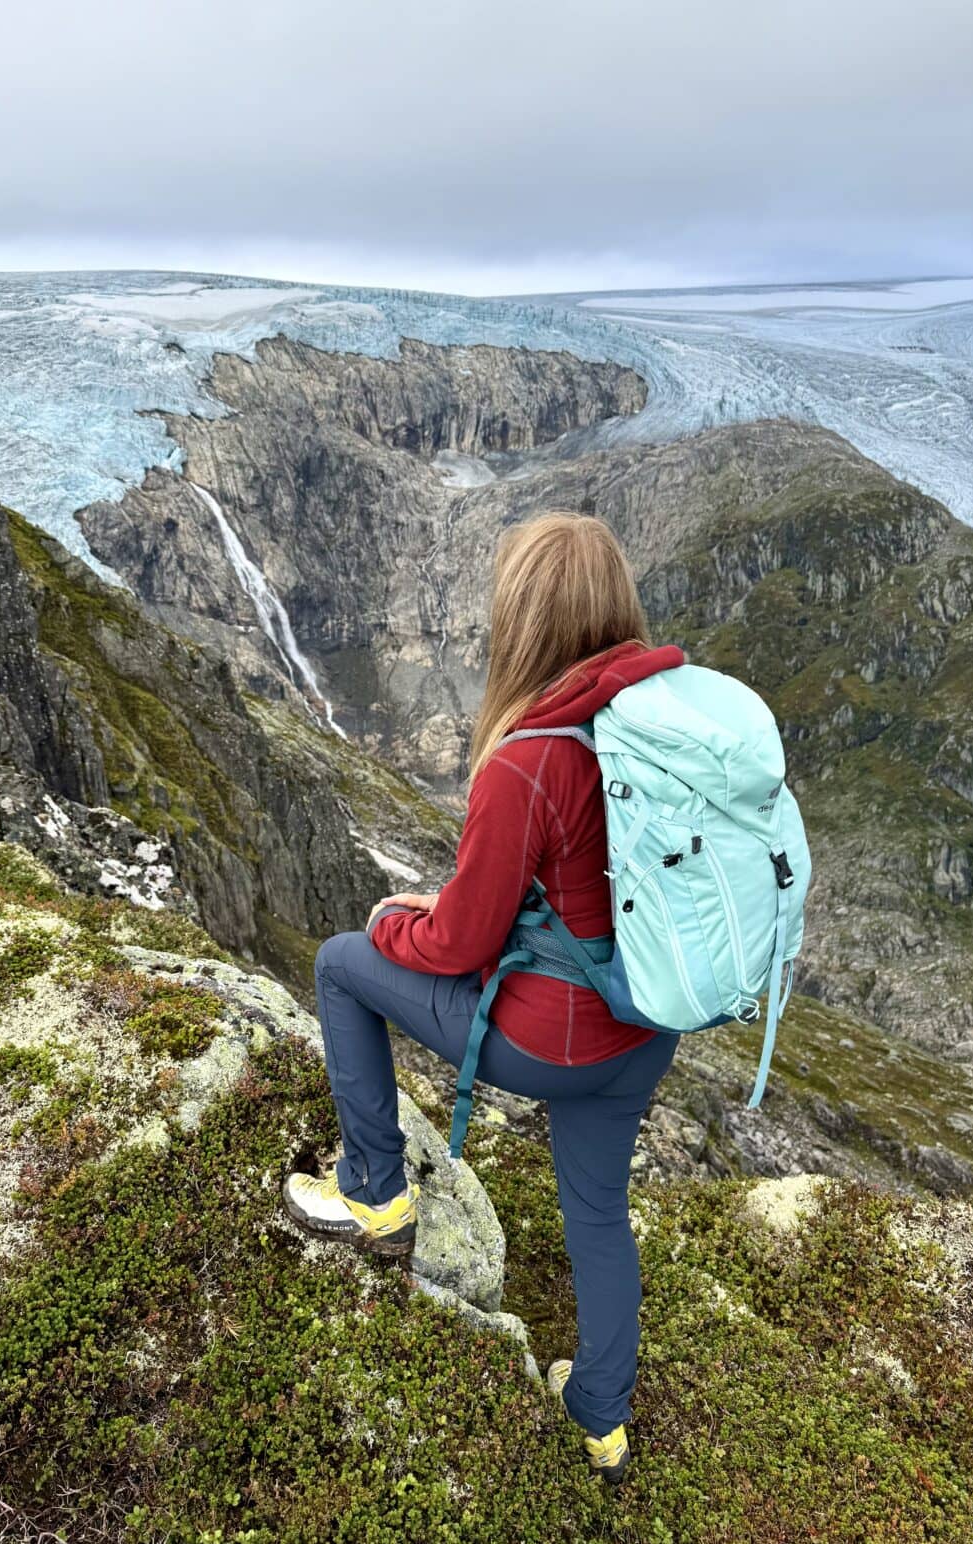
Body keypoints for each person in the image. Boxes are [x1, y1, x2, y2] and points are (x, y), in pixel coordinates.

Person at [283, 512, 684, 1484]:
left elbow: (460, 941)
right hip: (642, 1025)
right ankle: (599, 1417)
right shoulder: (656, 720)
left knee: (341, 962)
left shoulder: (529, 754)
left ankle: (372, 1191)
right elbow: (585, 887)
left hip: (554, 1037)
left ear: (522, 618)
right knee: (596, 1217)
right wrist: (459, 909)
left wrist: (394, 924)